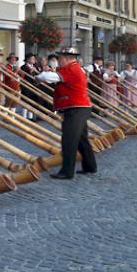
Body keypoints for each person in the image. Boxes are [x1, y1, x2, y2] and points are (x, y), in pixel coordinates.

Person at [35, 47, 97, 179]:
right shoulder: (73, 68)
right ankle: (90, 166)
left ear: (68, 58)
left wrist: (39, 76)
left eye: (61, 58)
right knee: (81, 140)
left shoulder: (72, 69)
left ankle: (67, 172)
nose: (59, 60)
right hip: (78, 107)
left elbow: (49, 77)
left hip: (77, 108)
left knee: (69, 141)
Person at [20, 53, 40, 120]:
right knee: (26, 101)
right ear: (28, 59)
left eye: (34, 58)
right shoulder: (23, 67)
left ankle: (31, 117)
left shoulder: (36, 66)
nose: (34, 60)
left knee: (33, 101)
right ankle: (24, 117)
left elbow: (39, 74)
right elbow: (23, 77)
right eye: (32, 58)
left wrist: (36, 71)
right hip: (26, 87)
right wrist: (30, 72)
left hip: (34, 86)